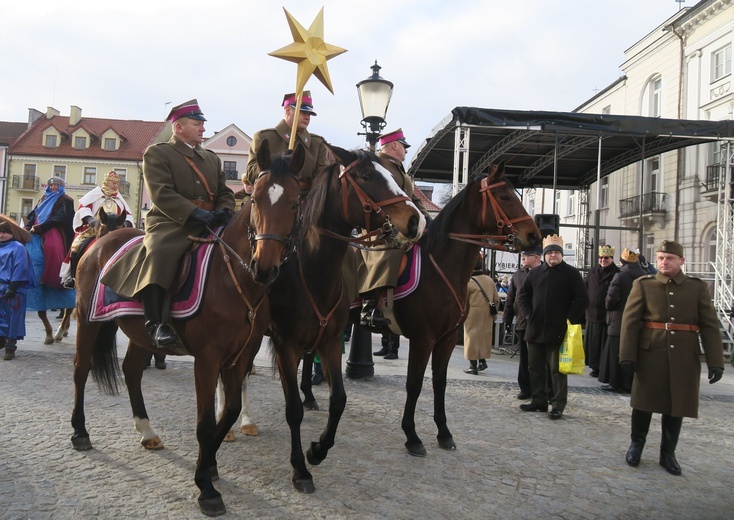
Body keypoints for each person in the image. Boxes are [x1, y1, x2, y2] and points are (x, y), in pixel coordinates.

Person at [100, 99, 235, 349]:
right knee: (160, 252)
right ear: (179, 127)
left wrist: (224, 210)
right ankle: (156, 323)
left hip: (209, 222)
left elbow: (224, 191)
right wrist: (194, 212)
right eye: (197, 124)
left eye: (203, 124)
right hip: (171, 222)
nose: (203, 129)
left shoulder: (211, 159)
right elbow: (161, 193)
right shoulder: (158, 153)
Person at [620, 239, 724, 476]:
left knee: (677, 404)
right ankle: (637, 444)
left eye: (669, 259)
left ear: (681, 261)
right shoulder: (643, 285)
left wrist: (716, 361)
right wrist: (627, 355)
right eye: (660, 258)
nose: (663, 262)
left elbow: (709, 326)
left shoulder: (697, 288)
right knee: (643, 402)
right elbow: (630, 322)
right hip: (650, 353)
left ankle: (668, 453)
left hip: (684, 355)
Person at [357, 128, 430, 333]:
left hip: (404, 225)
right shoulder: (377, 165)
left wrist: (428, 220)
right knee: (393, 249)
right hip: (379, 229)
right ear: (395, 145)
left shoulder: (400, 169)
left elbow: (414, 201)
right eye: (404, 147)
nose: (406, 151)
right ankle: (369, 305)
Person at [518, 234, 588, 420]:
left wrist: (567, 318)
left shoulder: (571, 274)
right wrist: (528, 314)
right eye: (550, 253)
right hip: (534, 328)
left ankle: (557, 404)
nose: (553, 256)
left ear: (561, 254)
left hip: (559, 330)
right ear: (545, 255)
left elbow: (582, 300)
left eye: (556, 252)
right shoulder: (534, 273)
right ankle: (539, 401)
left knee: (557, 370)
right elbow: (522, 295)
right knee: (535, 367)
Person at [245, 90, 332, 192]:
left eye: (309, 113)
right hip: (270, 197)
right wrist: (275, 169)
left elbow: (323, 178)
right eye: (302, 112)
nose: (307, 117)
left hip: (306, 200)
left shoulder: (317, 144)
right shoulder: (264, 138)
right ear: (287, 111)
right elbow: (250, 172)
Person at [60, 170, 135, 289]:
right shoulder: (94, 195)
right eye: (113, 183)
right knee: (75, 247)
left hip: (116, 232)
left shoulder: (119, 199)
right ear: (106, 182)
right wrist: (91, 220)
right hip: (92, 231)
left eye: (117, 184)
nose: (116, 186)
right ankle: (73, 277)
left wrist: (125, 223)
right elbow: (84, 209)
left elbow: (128, 214)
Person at [598, 248, 644, 393]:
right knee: (631, 351)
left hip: (618, 319)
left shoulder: (620, 277)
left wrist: (608, 307)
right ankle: (630, 383)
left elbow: (610, 299)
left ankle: (615, 382)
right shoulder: (644, 277)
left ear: (621, 262)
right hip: (637, 321)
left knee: (614, 353)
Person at [502, 247, 542, 399]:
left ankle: (543, 390)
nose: (523, 258)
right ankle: (525, 389)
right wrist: (507, 319)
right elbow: (511, 299)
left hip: (540, 322)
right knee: (524, 359)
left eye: (527, 255)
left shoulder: (546, 272)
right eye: (522, 256)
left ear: (537, 257)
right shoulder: (518, 275)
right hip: (522, 323)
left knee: (540, 360)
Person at [24, 177, 75, 289]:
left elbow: (60, 218)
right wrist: (27, 227)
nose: (53, 187)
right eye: (51, 185)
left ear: (61, 187)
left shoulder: (66, 200)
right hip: (36, 226)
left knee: (52, 246)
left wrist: (41, 228)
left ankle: (55, 278)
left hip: (52, 227)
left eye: (56, 185)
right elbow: (35, 214)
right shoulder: (43, 198)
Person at [0, 221, 35, 360]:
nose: (1, 235)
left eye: (4, 232)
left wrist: (12, 287)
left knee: (12, 318)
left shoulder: (18, 248)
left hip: (13, 289)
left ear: (11, 233)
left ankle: (10, 347)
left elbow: (21, 267)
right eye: (0, 232)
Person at [584, 245, 620, 378]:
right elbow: (585, 288)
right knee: (592, 345)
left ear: (611, 258)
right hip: (591, 314)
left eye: (606, 258)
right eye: (600, 258)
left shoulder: (616, 273)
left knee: (602, 345)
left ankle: (601, 368)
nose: (603, 260)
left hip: (606, 315)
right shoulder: (592, 272)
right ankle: (594, 366)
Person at [462, 257, 500, 375]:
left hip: (472, 313)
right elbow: (496, 299)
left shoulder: (468, 281)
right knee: (484, 337)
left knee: (471, 337)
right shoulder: (489, 280)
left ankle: (472, 366)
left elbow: (463, 299)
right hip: (487, 313)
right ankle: (482, 361)